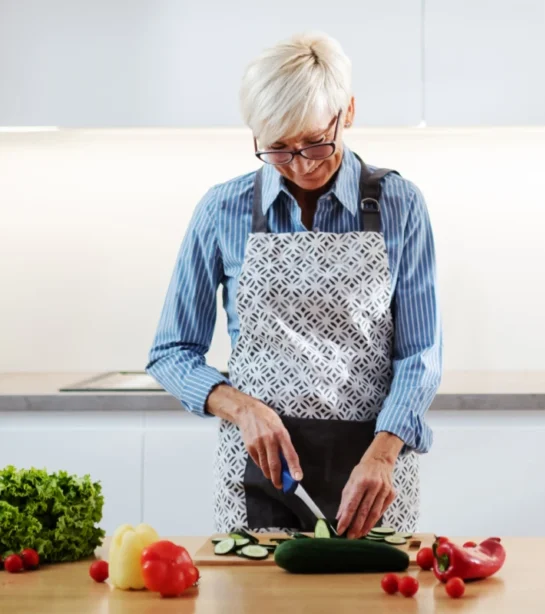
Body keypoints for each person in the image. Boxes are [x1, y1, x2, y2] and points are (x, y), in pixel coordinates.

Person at [146, 31, 442, 539]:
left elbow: (419, 355)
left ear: (347, 112)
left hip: (372, 474)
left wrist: (385, 454)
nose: (301, 164)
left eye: (314, 143)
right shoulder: (221, 209)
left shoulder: (401, 206)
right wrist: (242, 408)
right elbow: (171, 352)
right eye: (278, 149)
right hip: (257, 474)